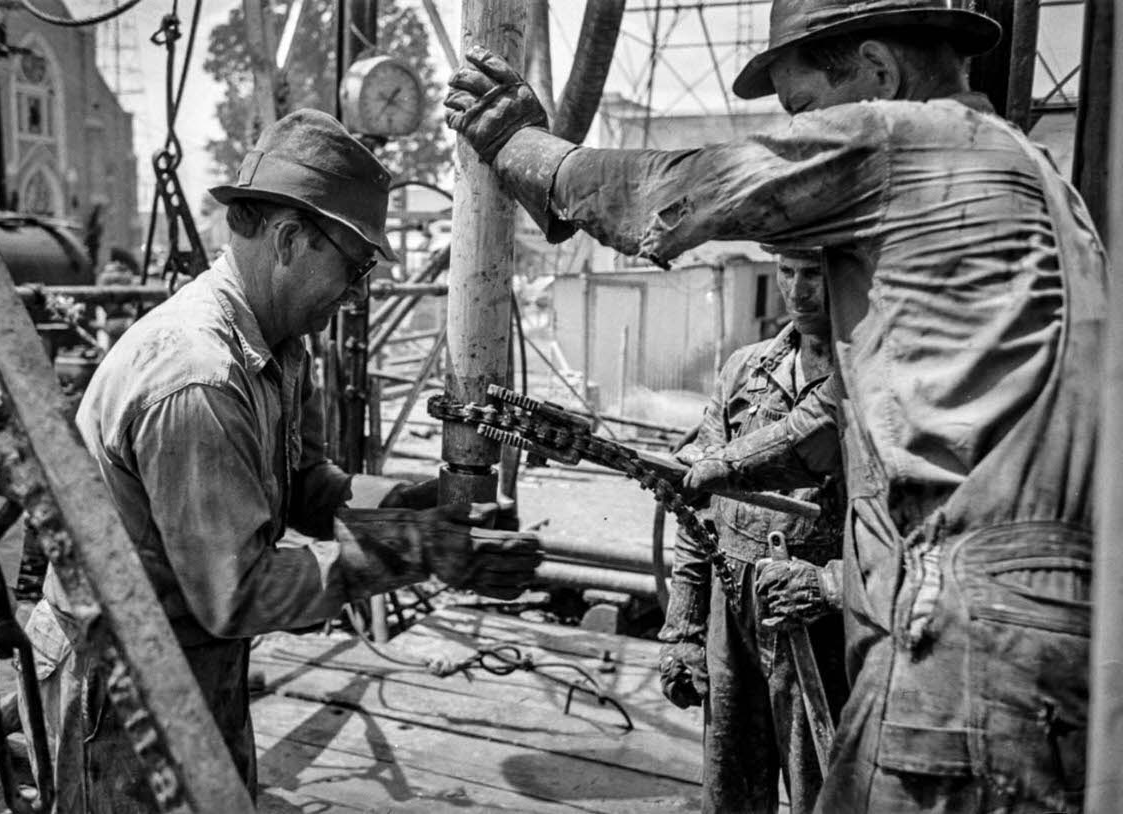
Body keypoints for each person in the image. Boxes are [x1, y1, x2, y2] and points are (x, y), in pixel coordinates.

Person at [443, 0, 1103, 810]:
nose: (798, 139)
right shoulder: (1040, 186)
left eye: (800, 114)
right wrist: (720, 468)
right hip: (1053, 648)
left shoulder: (907, 139)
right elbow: (839, 419)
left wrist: (518, 144)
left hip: (962, 640)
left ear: (878, 72)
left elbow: (670, 191)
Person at [29, 109, 542, 812]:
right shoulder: (198, 379)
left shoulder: (279, 344)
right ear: (291, 239)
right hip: (124, 690)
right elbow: (237, 595)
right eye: (356, 266)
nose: (360, 290)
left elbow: (307, 486)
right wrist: (413, 550)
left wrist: (412, 504)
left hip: (196, 660)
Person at [658, 248, 847, 814]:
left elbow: (903, 528)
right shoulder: (746, 369)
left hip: (822, 626)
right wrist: (683, 630)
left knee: (827, 787)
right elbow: (699, 506)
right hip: (732, 615)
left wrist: (831, 582)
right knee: (730, 788)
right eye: (787, 272)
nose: (798, 290)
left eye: (814, 273)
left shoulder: (870, 377)